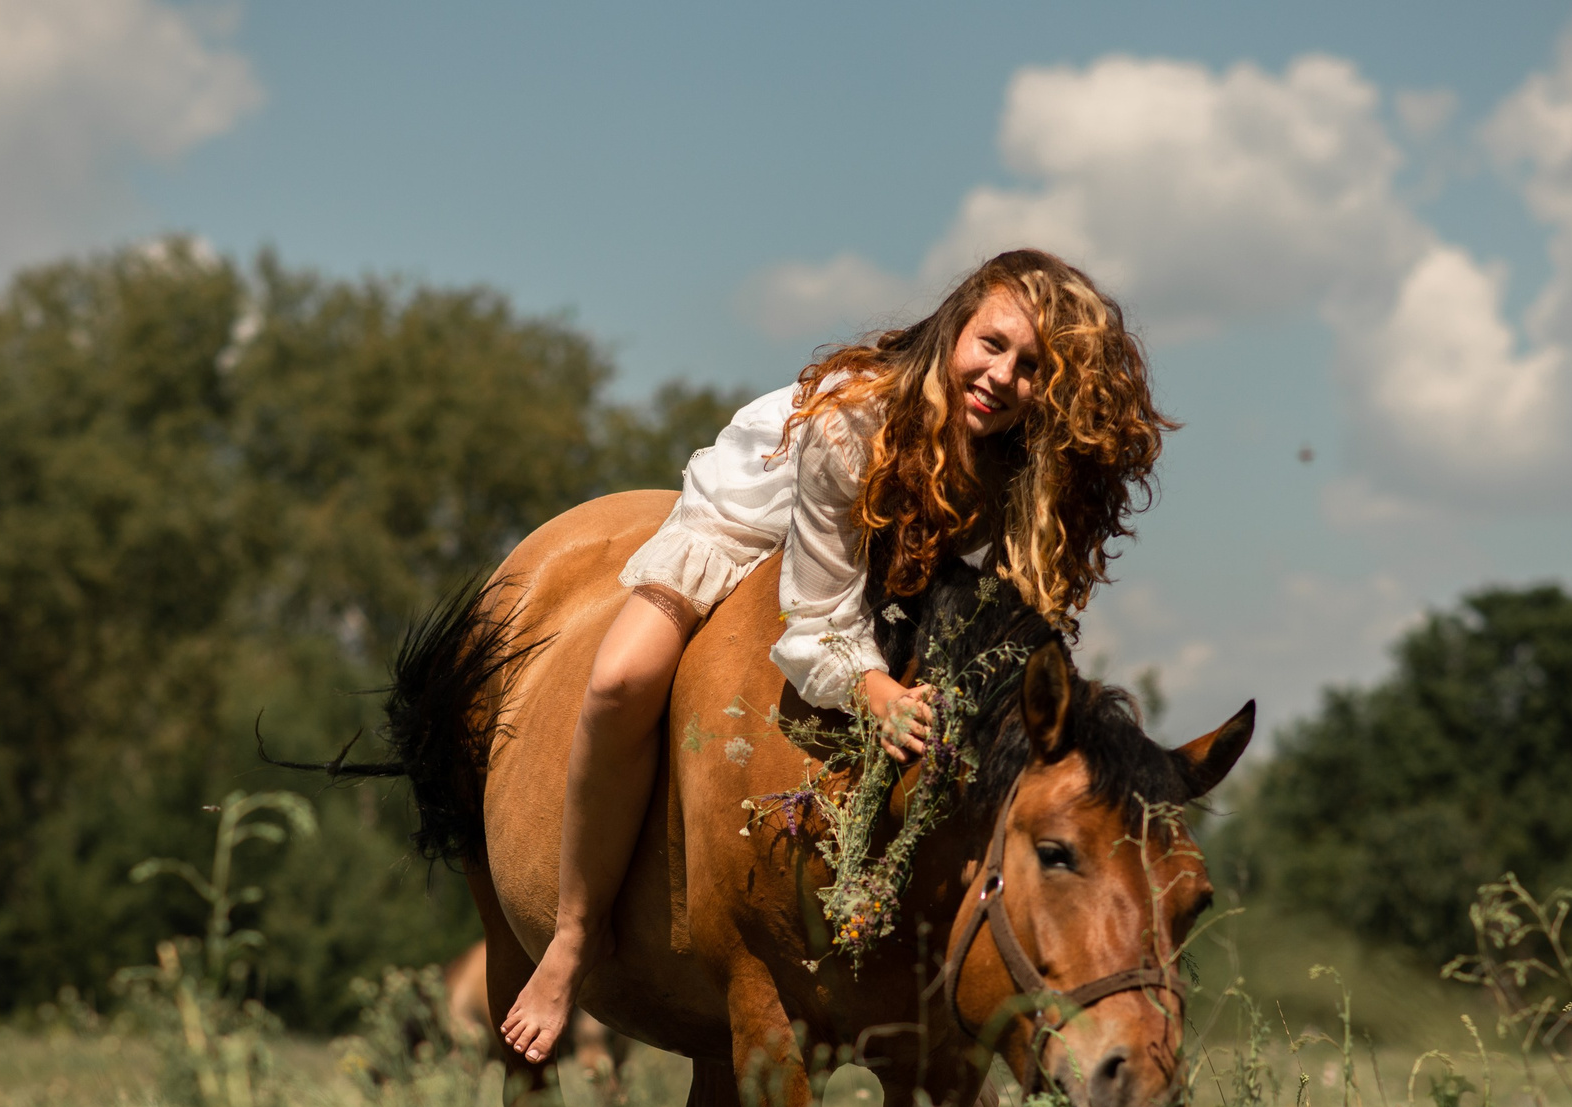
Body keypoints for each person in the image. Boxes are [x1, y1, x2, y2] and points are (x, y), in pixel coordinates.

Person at [499, 248, 1168, 1063]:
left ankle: (958, 1003)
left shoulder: (1022, 464)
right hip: (762, 525)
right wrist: (874, 688)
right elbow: (818, 608)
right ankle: (571, 936)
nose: (1001, 376)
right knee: (619, 677)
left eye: (1032, 368)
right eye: (991, 344)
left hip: (893, 575)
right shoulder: (851, 424)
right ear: (957, 323)